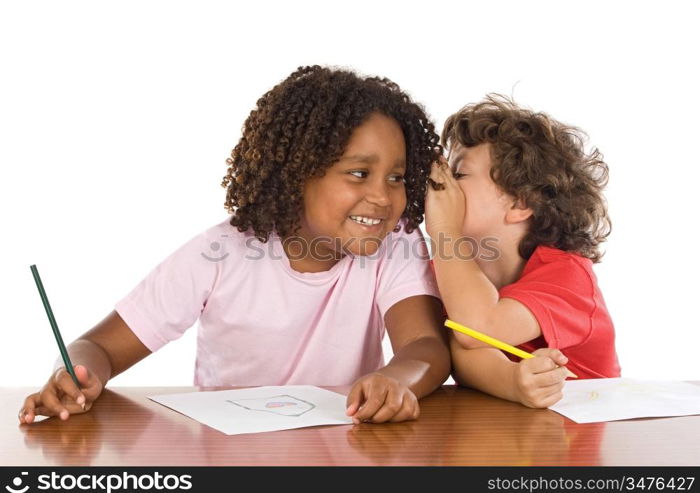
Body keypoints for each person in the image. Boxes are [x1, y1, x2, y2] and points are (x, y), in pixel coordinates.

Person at [19, 66, 450, 425]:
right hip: (230, 454)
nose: (383, 196)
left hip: (343, 448)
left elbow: (425, 347)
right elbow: (98, 348)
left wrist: (396, 379)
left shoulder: (396, 244)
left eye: (396, 178)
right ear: (296, 173)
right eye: (359, 173)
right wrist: (73, 372)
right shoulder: (220, 254)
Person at [425, 94, 620, 408]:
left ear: (519, 203)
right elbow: (462, 349)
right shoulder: (451, 271)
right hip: (509, 432)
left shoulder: (568, 274)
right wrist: (512, 382)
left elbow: (479, 327)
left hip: (582, 433)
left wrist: (444, 231)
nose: (441, 185)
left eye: (458, 174)